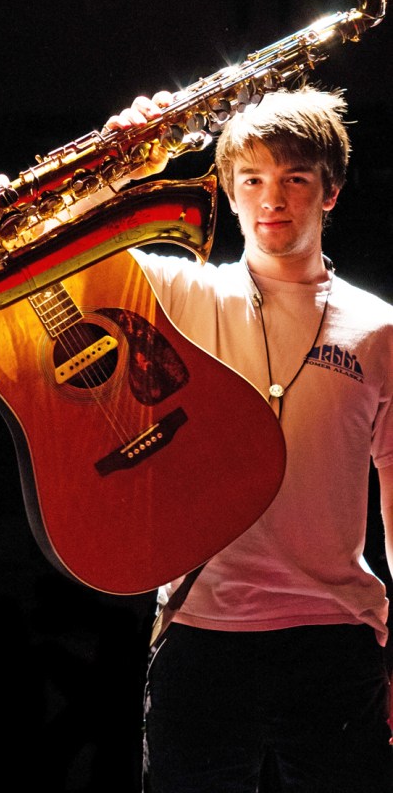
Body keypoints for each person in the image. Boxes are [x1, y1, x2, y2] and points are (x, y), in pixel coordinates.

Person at [105, 84, 393, 792]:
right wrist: (122, 164)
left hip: (336, 636)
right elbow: (56, 256)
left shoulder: (380, 329)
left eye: (295, 179)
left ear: (330, 192)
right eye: (253, 180)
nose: (273, 198)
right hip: (203, 630)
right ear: (229, 193)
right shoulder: (180, 294)